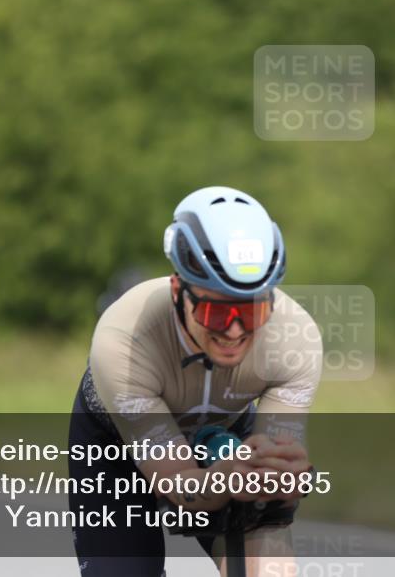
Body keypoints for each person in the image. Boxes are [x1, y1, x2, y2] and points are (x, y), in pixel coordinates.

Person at [68, 186, 322, 577]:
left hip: (223, 435)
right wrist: (219, 482)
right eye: (217, 313)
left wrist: (283, 478)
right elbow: (182, 489)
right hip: (114, 444)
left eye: (252, 311)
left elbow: (273, 482)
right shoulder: (123, 338)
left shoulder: (296, 337)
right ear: (177, 291)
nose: (235, 331)